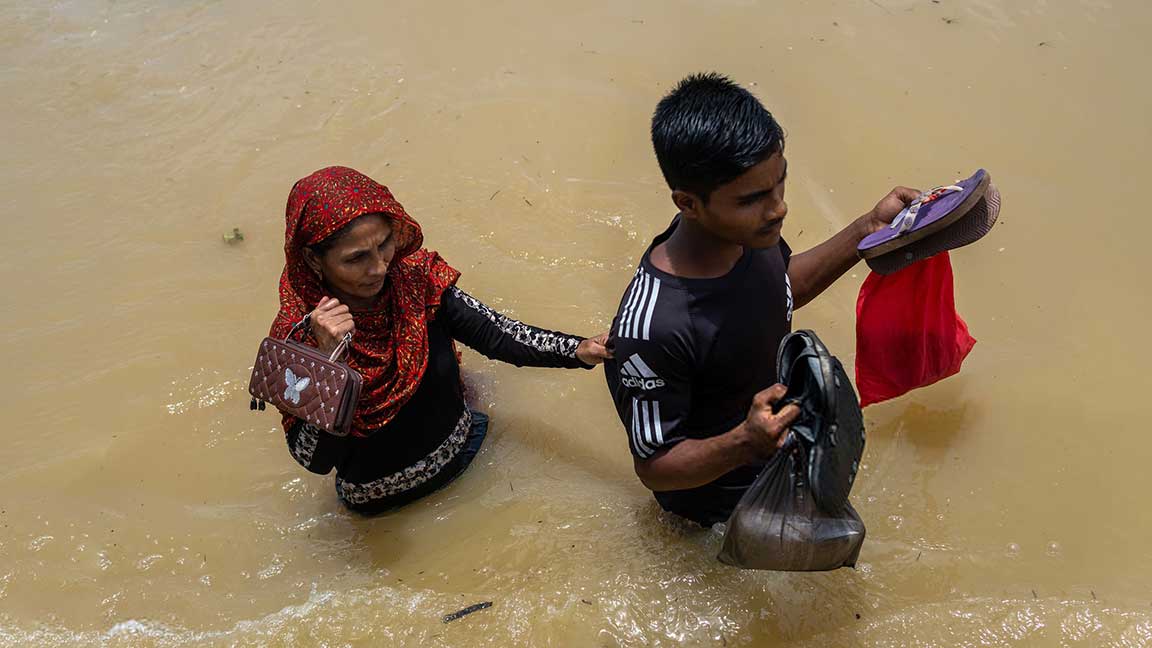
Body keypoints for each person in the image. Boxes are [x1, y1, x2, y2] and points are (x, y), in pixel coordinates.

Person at [604, 73, 920, 526]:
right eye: (753, 198)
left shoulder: (750, 233)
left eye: (780, 184)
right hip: (714, 518)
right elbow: (655, 467)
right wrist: (744, 442)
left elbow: (781, 290)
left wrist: (870, 228)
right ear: (688, 204)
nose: (778, 208)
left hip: (781, 461)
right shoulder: (654, 326)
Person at [272, 166, 611, 513]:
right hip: (381, 513)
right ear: (314, 259)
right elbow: (312, 458)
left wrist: (578, 349)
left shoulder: (419, 281)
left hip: (471, 458)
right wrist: (330, 365)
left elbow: (498, 334)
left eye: (384, 244)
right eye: (356, 258)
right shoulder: (297, 336)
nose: (379, 268)